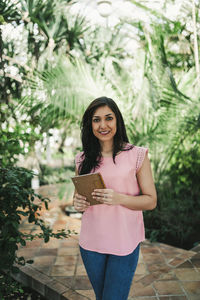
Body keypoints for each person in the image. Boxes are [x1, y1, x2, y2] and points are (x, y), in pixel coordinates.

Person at [73, 96, 157, 300]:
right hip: (91, 244)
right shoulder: (82, 159)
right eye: (96, 120)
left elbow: (151, 201)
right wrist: (78, 204)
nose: (103, 125)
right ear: (89, 124)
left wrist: (119, 198)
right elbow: (79, 199)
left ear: (117, 120)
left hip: (124, 242)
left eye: (108, 118)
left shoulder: (137, 155)